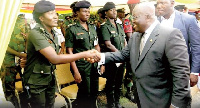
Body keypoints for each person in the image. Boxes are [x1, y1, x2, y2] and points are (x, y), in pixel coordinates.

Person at [90, 2, 191, 108]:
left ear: (147, 17)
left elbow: (181, 74)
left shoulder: (170, 35)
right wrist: (100, 56)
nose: (132, 20)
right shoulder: (135, 36)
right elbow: (123, 54)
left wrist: (176, 105)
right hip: (142, 98)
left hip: (161, 101)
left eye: (135, 17)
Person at [23, 1, 99, 108]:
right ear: (41, 18)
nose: (55, 17)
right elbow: (54, 58)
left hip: (49, 78)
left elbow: (46, 54)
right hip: (36, 82)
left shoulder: (53, 33)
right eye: (51, 14)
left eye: (55, 13)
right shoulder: (36, 33)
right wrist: (85, 54)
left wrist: (27, 59)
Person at [157, 0, 200, 87]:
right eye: (157, 3)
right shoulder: (155, 21)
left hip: (180, 70)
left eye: (162, 3)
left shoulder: (188, 19)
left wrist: (194, 72)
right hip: (158, 71)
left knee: (180, 98)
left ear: (172, 3)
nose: (159, 6)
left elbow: (196, 46)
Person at [65, 1, 100, 108]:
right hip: (81, 66)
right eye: (84, 11)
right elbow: (69, 51)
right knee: (85, 93)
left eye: (88, 11)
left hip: (94, 65)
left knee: (94, 91)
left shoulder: (92, 27)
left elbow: (96, 45)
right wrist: (75, 71)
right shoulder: (72, 29)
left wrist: (101, 62)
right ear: (77, 13)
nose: (87, 13)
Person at [100, 2, 127, 108]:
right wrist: (120, 54)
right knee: (111, 82)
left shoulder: (119, 25)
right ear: (106, 13)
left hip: (122, 57)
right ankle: (111, 104)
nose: (114, 11)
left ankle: (117, 102)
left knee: (119, 81)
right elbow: (108, 44)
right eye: (111, 10)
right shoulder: (104, 26)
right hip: (112, 59)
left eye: (115, 9)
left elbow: (124, 40)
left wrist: (124, 53)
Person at [0, 14, 29, 108]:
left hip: (22, 60)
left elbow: (27, 41)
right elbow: (2, 44)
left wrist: (26, 46)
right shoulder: (5, 25)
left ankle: (25, 103)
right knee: (8, 87)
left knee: (27, 83)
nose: (24, 21)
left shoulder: (26, 26)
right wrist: (19, 54)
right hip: (8, 61)